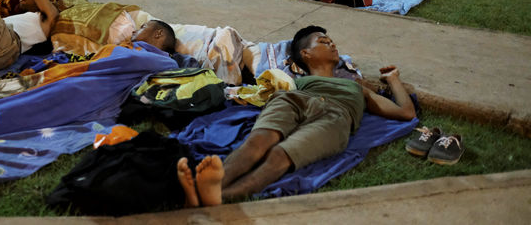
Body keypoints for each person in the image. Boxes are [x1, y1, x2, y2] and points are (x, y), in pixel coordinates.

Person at [177, 25, 416, 207]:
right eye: (323, 41)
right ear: (306, 54)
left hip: (335, 115)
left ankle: (217, 195)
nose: (332, 44)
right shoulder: (294, 81)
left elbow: (406, 112)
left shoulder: (357, 87)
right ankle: (214, 184)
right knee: (257, 143)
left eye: (332, 41)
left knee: (279, 155)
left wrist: (394, 79)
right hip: (294, 100)